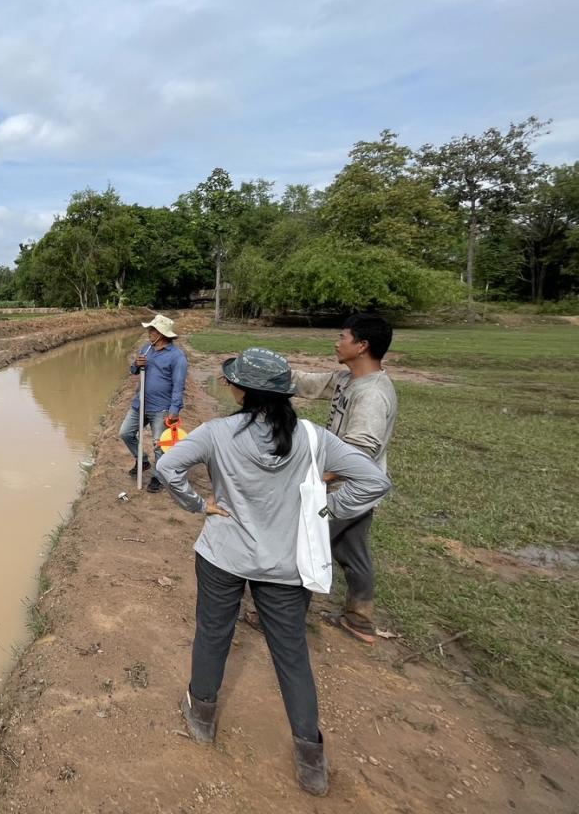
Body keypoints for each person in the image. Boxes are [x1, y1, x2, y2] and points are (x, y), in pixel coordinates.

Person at [155, 348, 391, 796]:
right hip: (286, 564)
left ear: (241, 390)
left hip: (223, 554)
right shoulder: (314, 438)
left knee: (212, 635)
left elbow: (168, 467)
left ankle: (201, 718)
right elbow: (374, 481)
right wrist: (324, 509)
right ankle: (310, 758)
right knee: (292, 655)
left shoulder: (217, 433)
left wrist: (197, 503)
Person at [242, 312, 397, 644]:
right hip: (354, 493)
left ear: (362, 345)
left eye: (343, 337)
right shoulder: (347, 380)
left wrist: (317, 476)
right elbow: (307, 383)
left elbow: (362, 451)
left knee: (302, 547)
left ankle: (280, 618)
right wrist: (268, 373)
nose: (336, 342)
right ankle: (360, 619)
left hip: (343, 492)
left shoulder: (372, 395)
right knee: (352, 551)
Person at [118, 314, 187, 490]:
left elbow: (179, 386)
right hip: (140, 403)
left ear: (162, 334)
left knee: (159, 444)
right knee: (125, 433)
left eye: (153, 330)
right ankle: (142, 460)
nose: (149, 332)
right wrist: (137, 364)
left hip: (161, 409)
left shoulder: (177, 357)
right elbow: (134, 370)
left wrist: (174, 410)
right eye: (150, 329)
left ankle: (159, 476)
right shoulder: (146, 348)